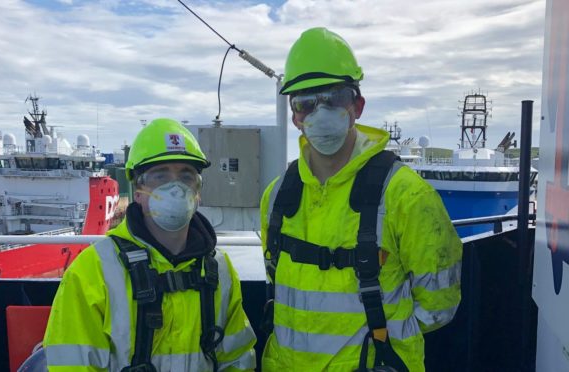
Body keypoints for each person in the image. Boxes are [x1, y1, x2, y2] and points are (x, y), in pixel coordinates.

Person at [260, 28, 462, 372]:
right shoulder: (277, 196)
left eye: (334, 98)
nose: (319, 112)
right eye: (306, 102)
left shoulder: (407, 195)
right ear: (295, 116)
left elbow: (438, 305)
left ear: (358, 106)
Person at [43, 118, 256, 371]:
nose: (176, 188)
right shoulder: (92, 272)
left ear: (198, 192)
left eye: (186, 176)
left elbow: (237, 359)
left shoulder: (219, 269)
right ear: (138, 190)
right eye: (160, 176)